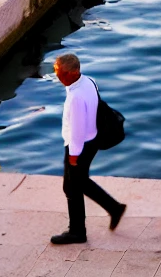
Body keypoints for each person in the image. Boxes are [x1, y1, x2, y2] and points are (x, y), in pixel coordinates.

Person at [50, 52, 126, 244]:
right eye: (57, 73)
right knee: (79, 181)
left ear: (74, 73)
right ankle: (114, 208)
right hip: (92, 140)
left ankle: (77, 231)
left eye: (62, 74)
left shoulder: (75, 96)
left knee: (72, 187)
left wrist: (74, 155)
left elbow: (76, 130)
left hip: (80, 146)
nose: (58, 78)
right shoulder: (89, 82)